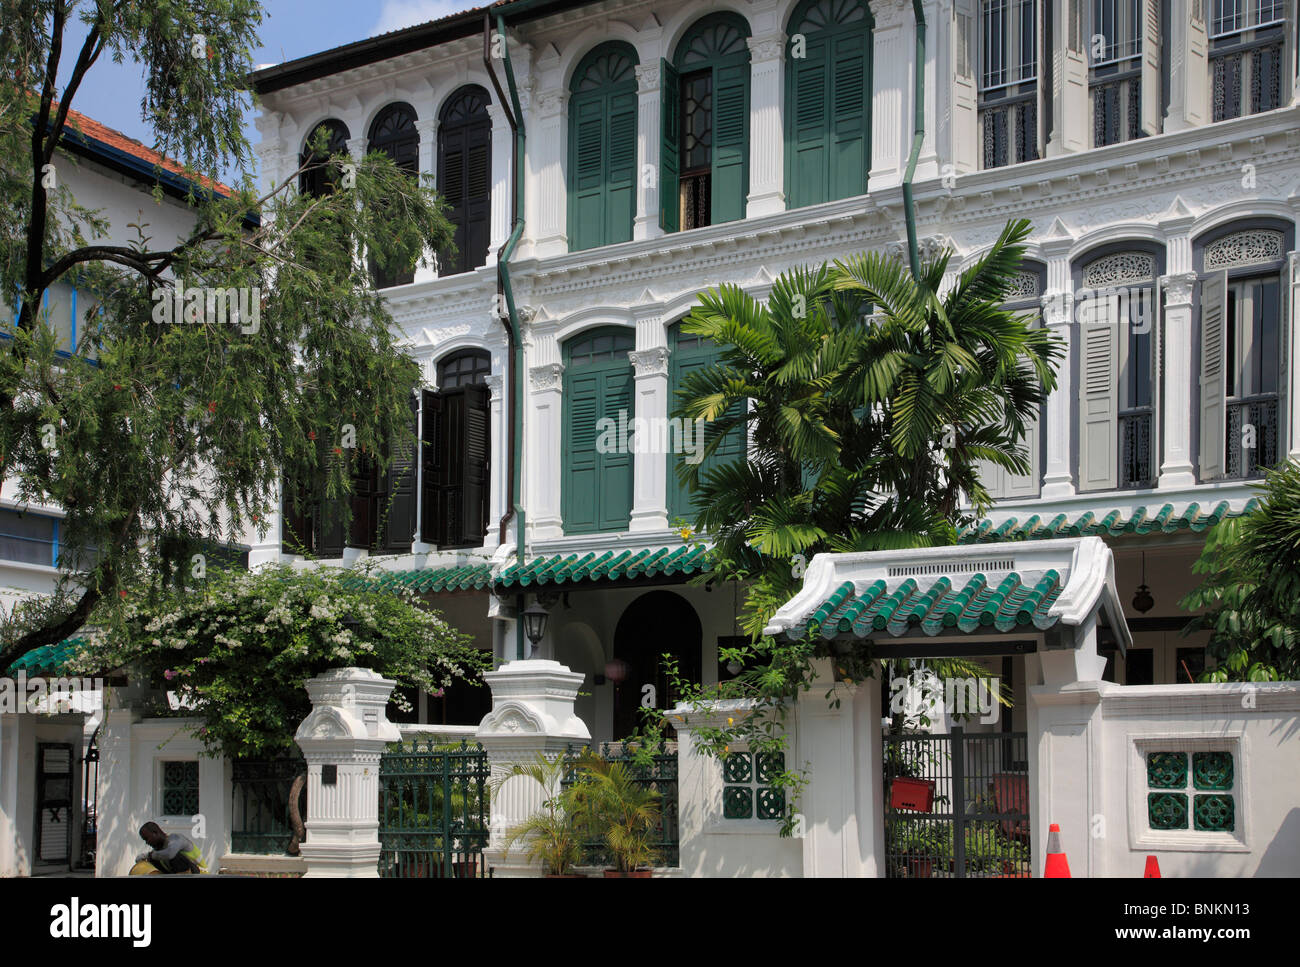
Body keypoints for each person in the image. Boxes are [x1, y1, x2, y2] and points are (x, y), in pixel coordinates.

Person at [136, 822, 205, 874]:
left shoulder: (176, 839)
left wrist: (149, 855)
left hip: (201, 875)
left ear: (155, 833)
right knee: (154, 860)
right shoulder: (159, 852)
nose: (146, 842)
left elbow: (170, 854)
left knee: (173, 857)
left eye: (147, 839)